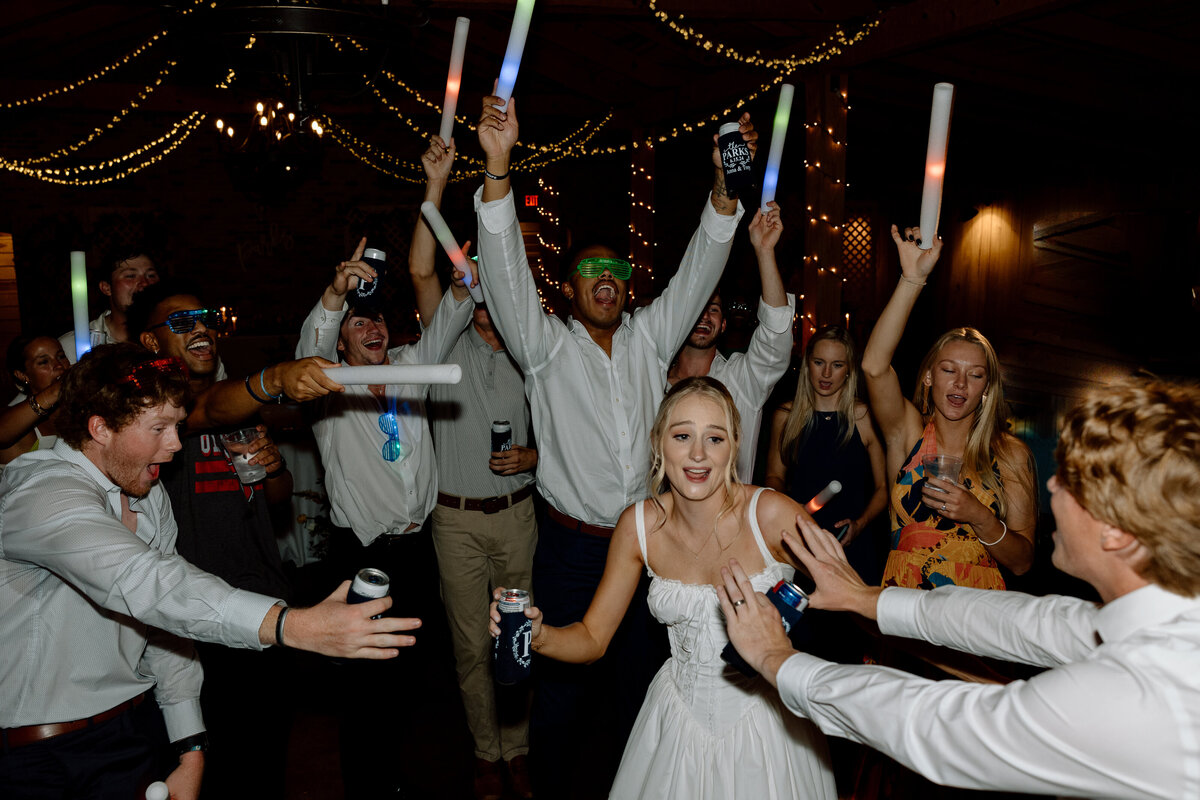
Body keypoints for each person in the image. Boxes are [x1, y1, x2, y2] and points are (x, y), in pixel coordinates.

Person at [721, 377, 1200, 800]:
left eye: (1071, 481)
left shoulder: (1141, 694)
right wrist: (864, 597)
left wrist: (777, 661)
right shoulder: (1162, 616)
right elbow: (1019, 621)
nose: (1052, 487)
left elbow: (936, 725)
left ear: (1117, 532)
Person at [475, 92, 754, 796]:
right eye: (593, 273)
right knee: (564, 695)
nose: (609, 280)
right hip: (571, 548)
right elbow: (506, 277)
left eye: (620, 272)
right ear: (568, 290)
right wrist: (499, 170)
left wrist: (723, 195)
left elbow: (697, 272)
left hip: (650, 540)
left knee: (644, 686)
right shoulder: (541, 349)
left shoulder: (650, 337)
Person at [0, 343, 418, 800]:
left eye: (177, 427)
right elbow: (145, 584)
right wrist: (290, 625)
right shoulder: (41, 493)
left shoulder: (146, 494)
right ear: (100, 428)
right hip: (36, 754)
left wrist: (190, 746)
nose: (176, 444)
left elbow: (163, 630)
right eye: (158, 428)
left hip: (130, 733)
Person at [489, 377, 835, 799]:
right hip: (678, 721)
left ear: (735, 446)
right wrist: (539, 635)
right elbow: (593, 639)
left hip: (765, 724)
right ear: (659, 443)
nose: (697, 454)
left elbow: (847, 597)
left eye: (715, 438)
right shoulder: (637, 527)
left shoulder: (772, 515)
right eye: (683, 435)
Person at [296, 232, 475, 798]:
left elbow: (451, 317)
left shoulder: (411, 366)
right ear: (342, 343)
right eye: (358, 324)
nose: (373, 330)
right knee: (366, 684)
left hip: (418, 549)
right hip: (365, 555)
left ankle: (398, 777)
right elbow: (310, 345)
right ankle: (365, 785)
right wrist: (333, 293)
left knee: (411, 677)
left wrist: (460, 281)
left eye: (377, 322)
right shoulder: (325, 384)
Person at [129, 282, 296, 799]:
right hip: (188, 617)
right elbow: (204, 410)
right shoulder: (147, 415)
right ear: (152, 343)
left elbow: (277, 499)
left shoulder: (236, 406)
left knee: (264, 757)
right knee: (203, 766)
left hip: (259, 597)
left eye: (203, 318)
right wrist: (273, 379)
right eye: (180, 323)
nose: (200, 328)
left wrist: (272, 469)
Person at [411, 134, 538, 800]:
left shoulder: (531, 352)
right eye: (477, 273)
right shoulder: (447, 337)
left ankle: (518, 750)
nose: (485, 285)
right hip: (456, 522)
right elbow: (421, 273)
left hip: (517, 516)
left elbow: (567, 439)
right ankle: (487, 754)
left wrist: (533, 457)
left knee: (516, 642)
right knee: (468, 650)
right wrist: (435, 189)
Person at [861, 225, 1036, 591]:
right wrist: (911, 280)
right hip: (905, 609)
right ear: (928, 377)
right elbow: (874, 366)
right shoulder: (906, 433)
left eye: (974, 375)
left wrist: (979, 516)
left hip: (973, 620)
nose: (959, 384)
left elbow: (1022, 562)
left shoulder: (1009, 454)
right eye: (948, 370)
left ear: (986, 389)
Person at [666, 201, 792, 482]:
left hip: (728, 521)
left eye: (713, 309)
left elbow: (775, 336)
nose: (704, 316)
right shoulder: (651, 381)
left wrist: (764, 251)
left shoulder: (741, 380)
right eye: (697, 308)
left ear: (722, 325)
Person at [765, 325, 887, 581]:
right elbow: (773, 477)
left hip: (852, 547)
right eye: (819, 362)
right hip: (800, 542)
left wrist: (860, 524)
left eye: (837, 365)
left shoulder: (863, 417)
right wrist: (788, 507)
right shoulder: (786, 416)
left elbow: (884, 488)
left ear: (849, 370)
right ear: (807, 363)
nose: (826, 373)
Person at [58, 247, 160, 362]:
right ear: (106, 288)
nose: (145, 283)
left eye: (151, 275)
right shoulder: (71, 347)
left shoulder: (170, 337)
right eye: (130, 276)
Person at [0, 335, 70, 468]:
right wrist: (55, 391)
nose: (59, 366)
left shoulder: (80, 408)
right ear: (22, 375)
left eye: (61, 356)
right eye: (44, 362)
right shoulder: (16, 425)